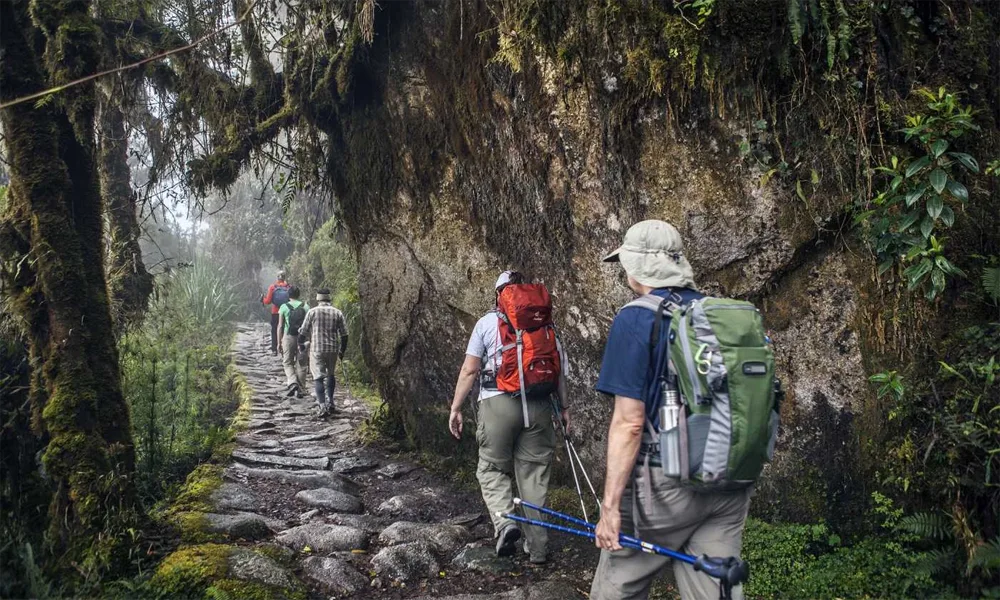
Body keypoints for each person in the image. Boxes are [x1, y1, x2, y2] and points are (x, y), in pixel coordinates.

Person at [589, 220, 753, 600]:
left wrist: (610, 507)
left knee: (616, 586)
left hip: (664, 488)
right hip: (729, 478)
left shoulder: (636, 318)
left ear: (639, 266)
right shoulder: (721, 315)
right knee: (715, 591)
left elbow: (629, 424)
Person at [448, 271, 569, 563]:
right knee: (534, 477)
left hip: (497, 403)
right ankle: (537, 549)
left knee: (491, 469)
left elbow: (469, 370)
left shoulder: (487, 323)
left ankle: (505, 524)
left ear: (498, 294)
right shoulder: (545, 324)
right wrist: (565, 409)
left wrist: (455, 408)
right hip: (539, 407)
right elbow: (559, 371)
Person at [297, 288, 348, 416]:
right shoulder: (337, 313)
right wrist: (342, 350)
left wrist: (301, 345)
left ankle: (322, 406)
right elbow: (344, 334)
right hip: (332, 349)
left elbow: (303, 331)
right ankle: (331, 402)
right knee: (331, 374)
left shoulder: (312, 312)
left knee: (318, 377)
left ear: (318, 298)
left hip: (317, 349)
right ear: (329, 298)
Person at [276, 286, 310, 397]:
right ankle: (301, 388)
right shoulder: (305, 306)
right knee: (302, 363)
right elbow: (309, 325)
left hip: (288, 337)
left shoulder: (284, 307)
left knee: (287, 362)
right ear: (299, 294)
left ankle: (293, 382)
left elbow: (280, 326)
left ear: (288, 295)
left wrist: (279, 342)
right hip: (303, 338)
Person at [262, 270, 291, 355]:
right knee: (285, 329)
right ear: (284, 277)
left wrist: (262, 299)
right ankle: (285, 348)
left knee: (274, 330)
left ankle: (274, 349)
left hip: (275, 312)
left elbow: (267, 301)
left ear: (277, 277)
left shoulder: (272, 287)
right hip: (286, 311)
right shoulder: (289, 287)